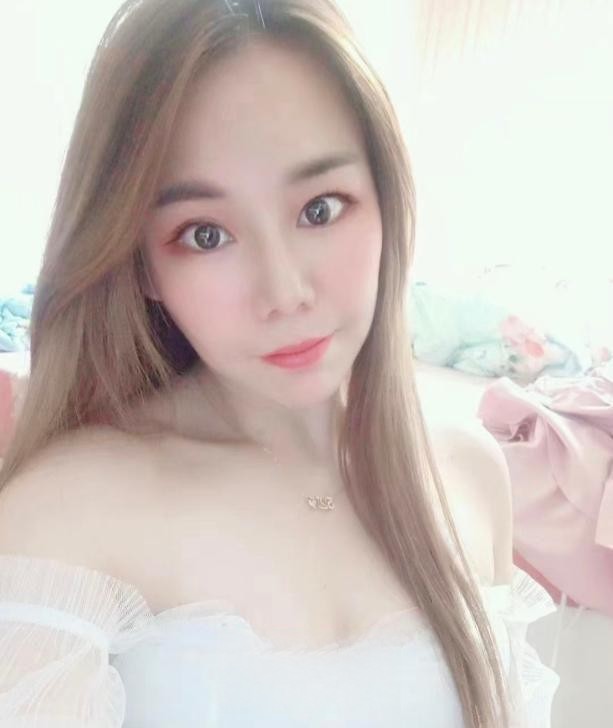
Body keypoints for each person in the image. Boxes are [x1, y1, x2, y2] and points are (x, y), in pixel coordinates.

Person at [0, 0, 560, 725]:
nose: (285, 291)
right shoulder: (68, 515)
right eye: (205, 234)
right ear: (138, 261)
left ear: (387, 201)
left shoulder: (467, 474)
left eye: (320, 209)